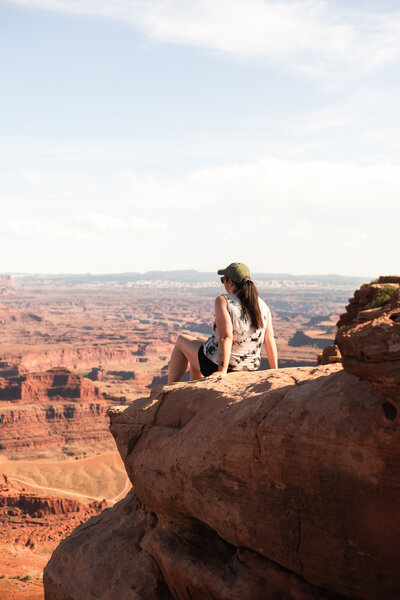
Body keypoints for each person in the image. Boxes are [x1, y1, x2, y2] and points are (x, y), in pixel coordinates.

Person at [168, 262, 278, 383]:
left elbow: (226, 336)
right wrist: (275, 370)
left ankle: (169, 388)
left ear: (230, 282)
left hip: (223, 366)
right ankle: (194, 387)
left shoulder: (223, 300)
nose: (223, 284)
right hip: (250, 367)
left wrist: (222, 370)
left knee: (182, 340)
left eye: (223, 280)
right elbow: (269, 338)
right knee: (199, 341)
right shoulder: (262, 304)